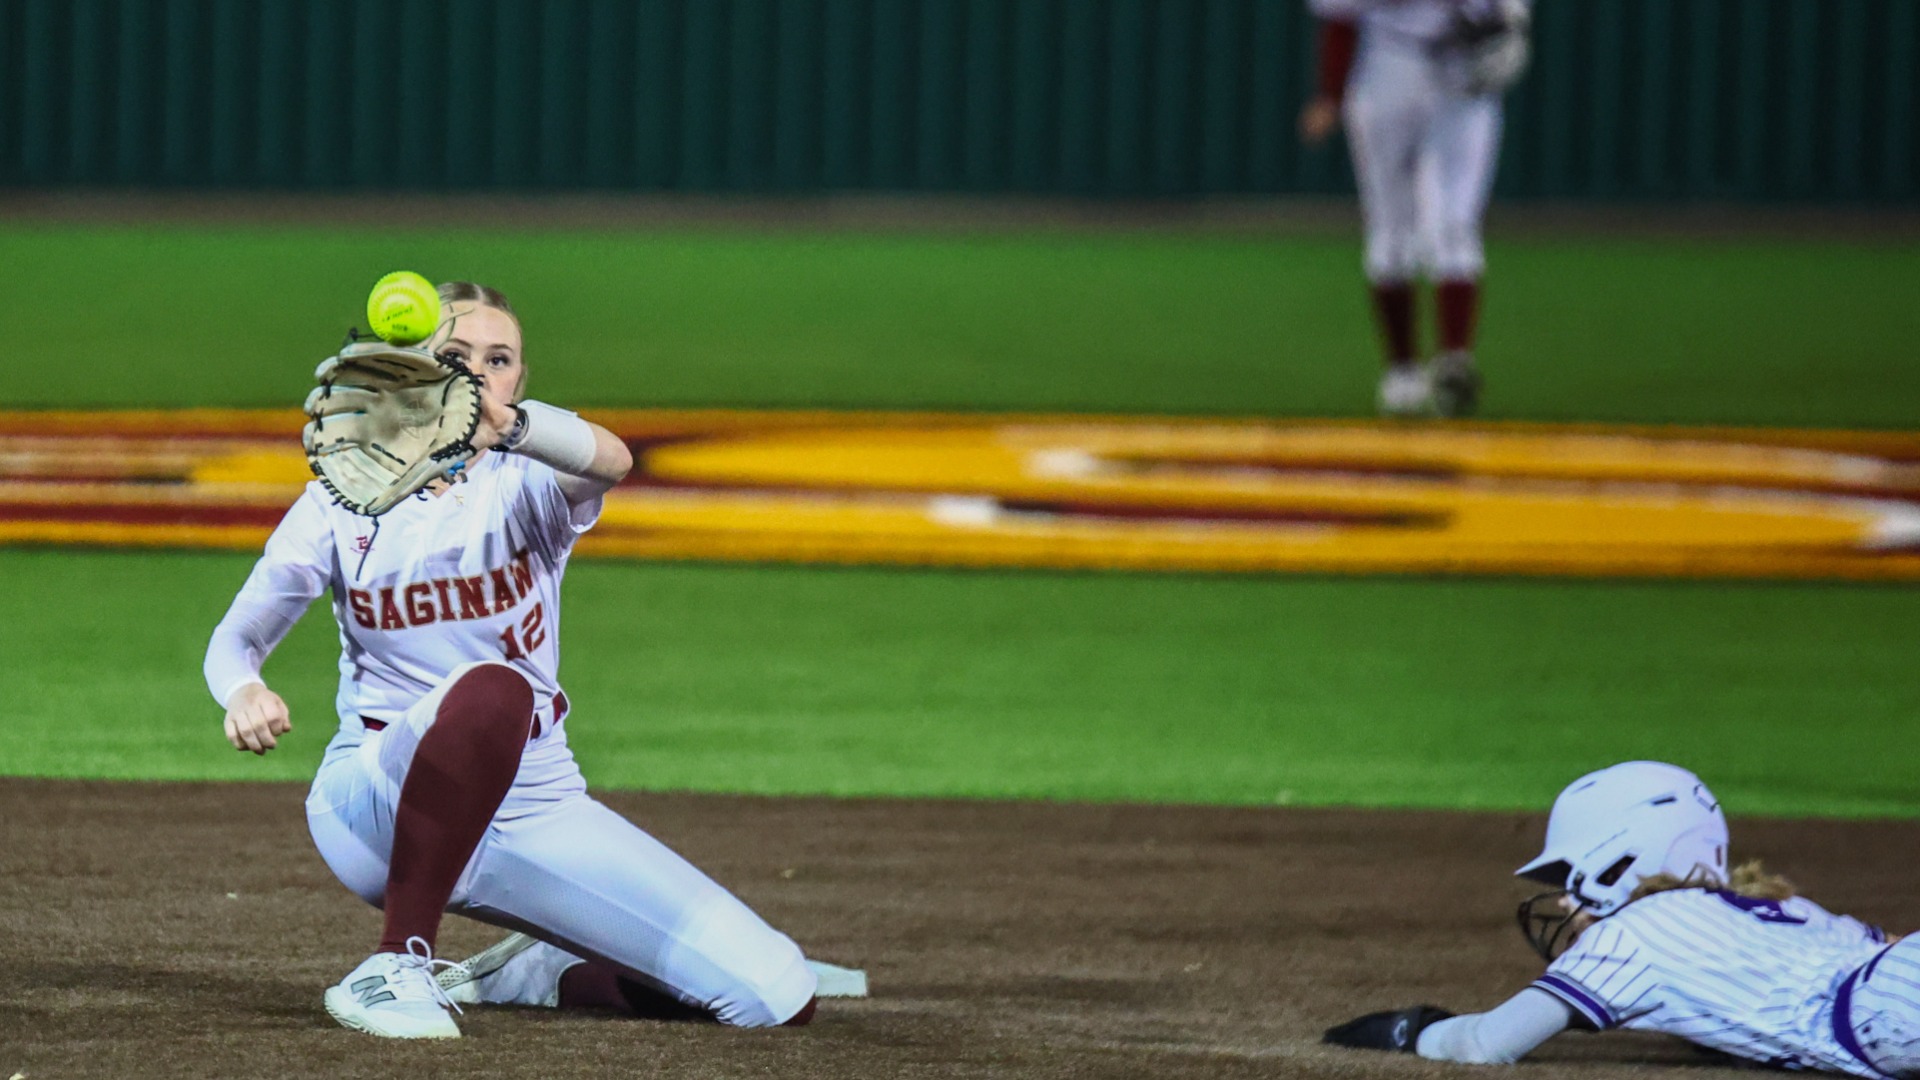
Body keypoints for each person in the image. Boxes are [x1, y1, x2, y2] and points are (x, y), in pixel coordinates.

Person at [204, 282, 825, 1039]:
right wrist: (243, 690)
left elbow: (613, 459)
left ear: (517, 385)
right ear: (411, 369)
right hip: (381, 803)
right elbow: (237, 639)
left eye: (499, 360)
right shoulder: (341, 498)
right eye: (455, 354)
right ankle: (395, 963)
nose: (476, 371)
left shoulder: (527, 484)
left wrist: (510, 427)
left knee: (776, 994)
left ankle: (540, 971)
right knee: (496, 692)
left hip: (537, 806)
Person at [1323, 761, 1916, 1077]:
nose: (1561, 903)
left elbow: (1487, 1044)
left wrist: (1415, 1030)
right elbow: (1888, 947)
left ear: (1622, 860)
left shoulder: (1634, 932)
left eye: (1568, 877)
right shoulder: (1785, 908)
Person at [1299, 0, 1530, 417]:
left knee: (1454, 223)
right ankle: (1403, 370)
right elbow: (1337, 14)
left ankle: (1452, 361)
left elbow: (1507, 18)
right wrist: (1331, 91)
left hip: (1459, 71)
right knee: (1391, 228)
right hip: (1390, 64)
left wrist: (1505, 29)